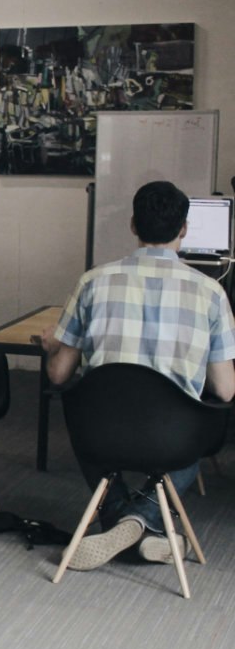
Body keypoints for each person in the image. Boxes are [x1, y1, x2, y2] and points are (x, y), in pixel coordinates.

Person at [41, 180, 235, 570]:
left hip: (102, 434)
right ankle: (145, 523)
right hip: (173, 439)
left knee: (82, 423)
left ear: (132, 225)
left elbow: (60, 376)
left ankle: (119, 520)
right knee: (200, 433)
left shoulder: (93, 281)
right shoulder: (211, 293)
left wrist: (52, 349)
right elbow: (225, 390)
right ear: (184, 229)